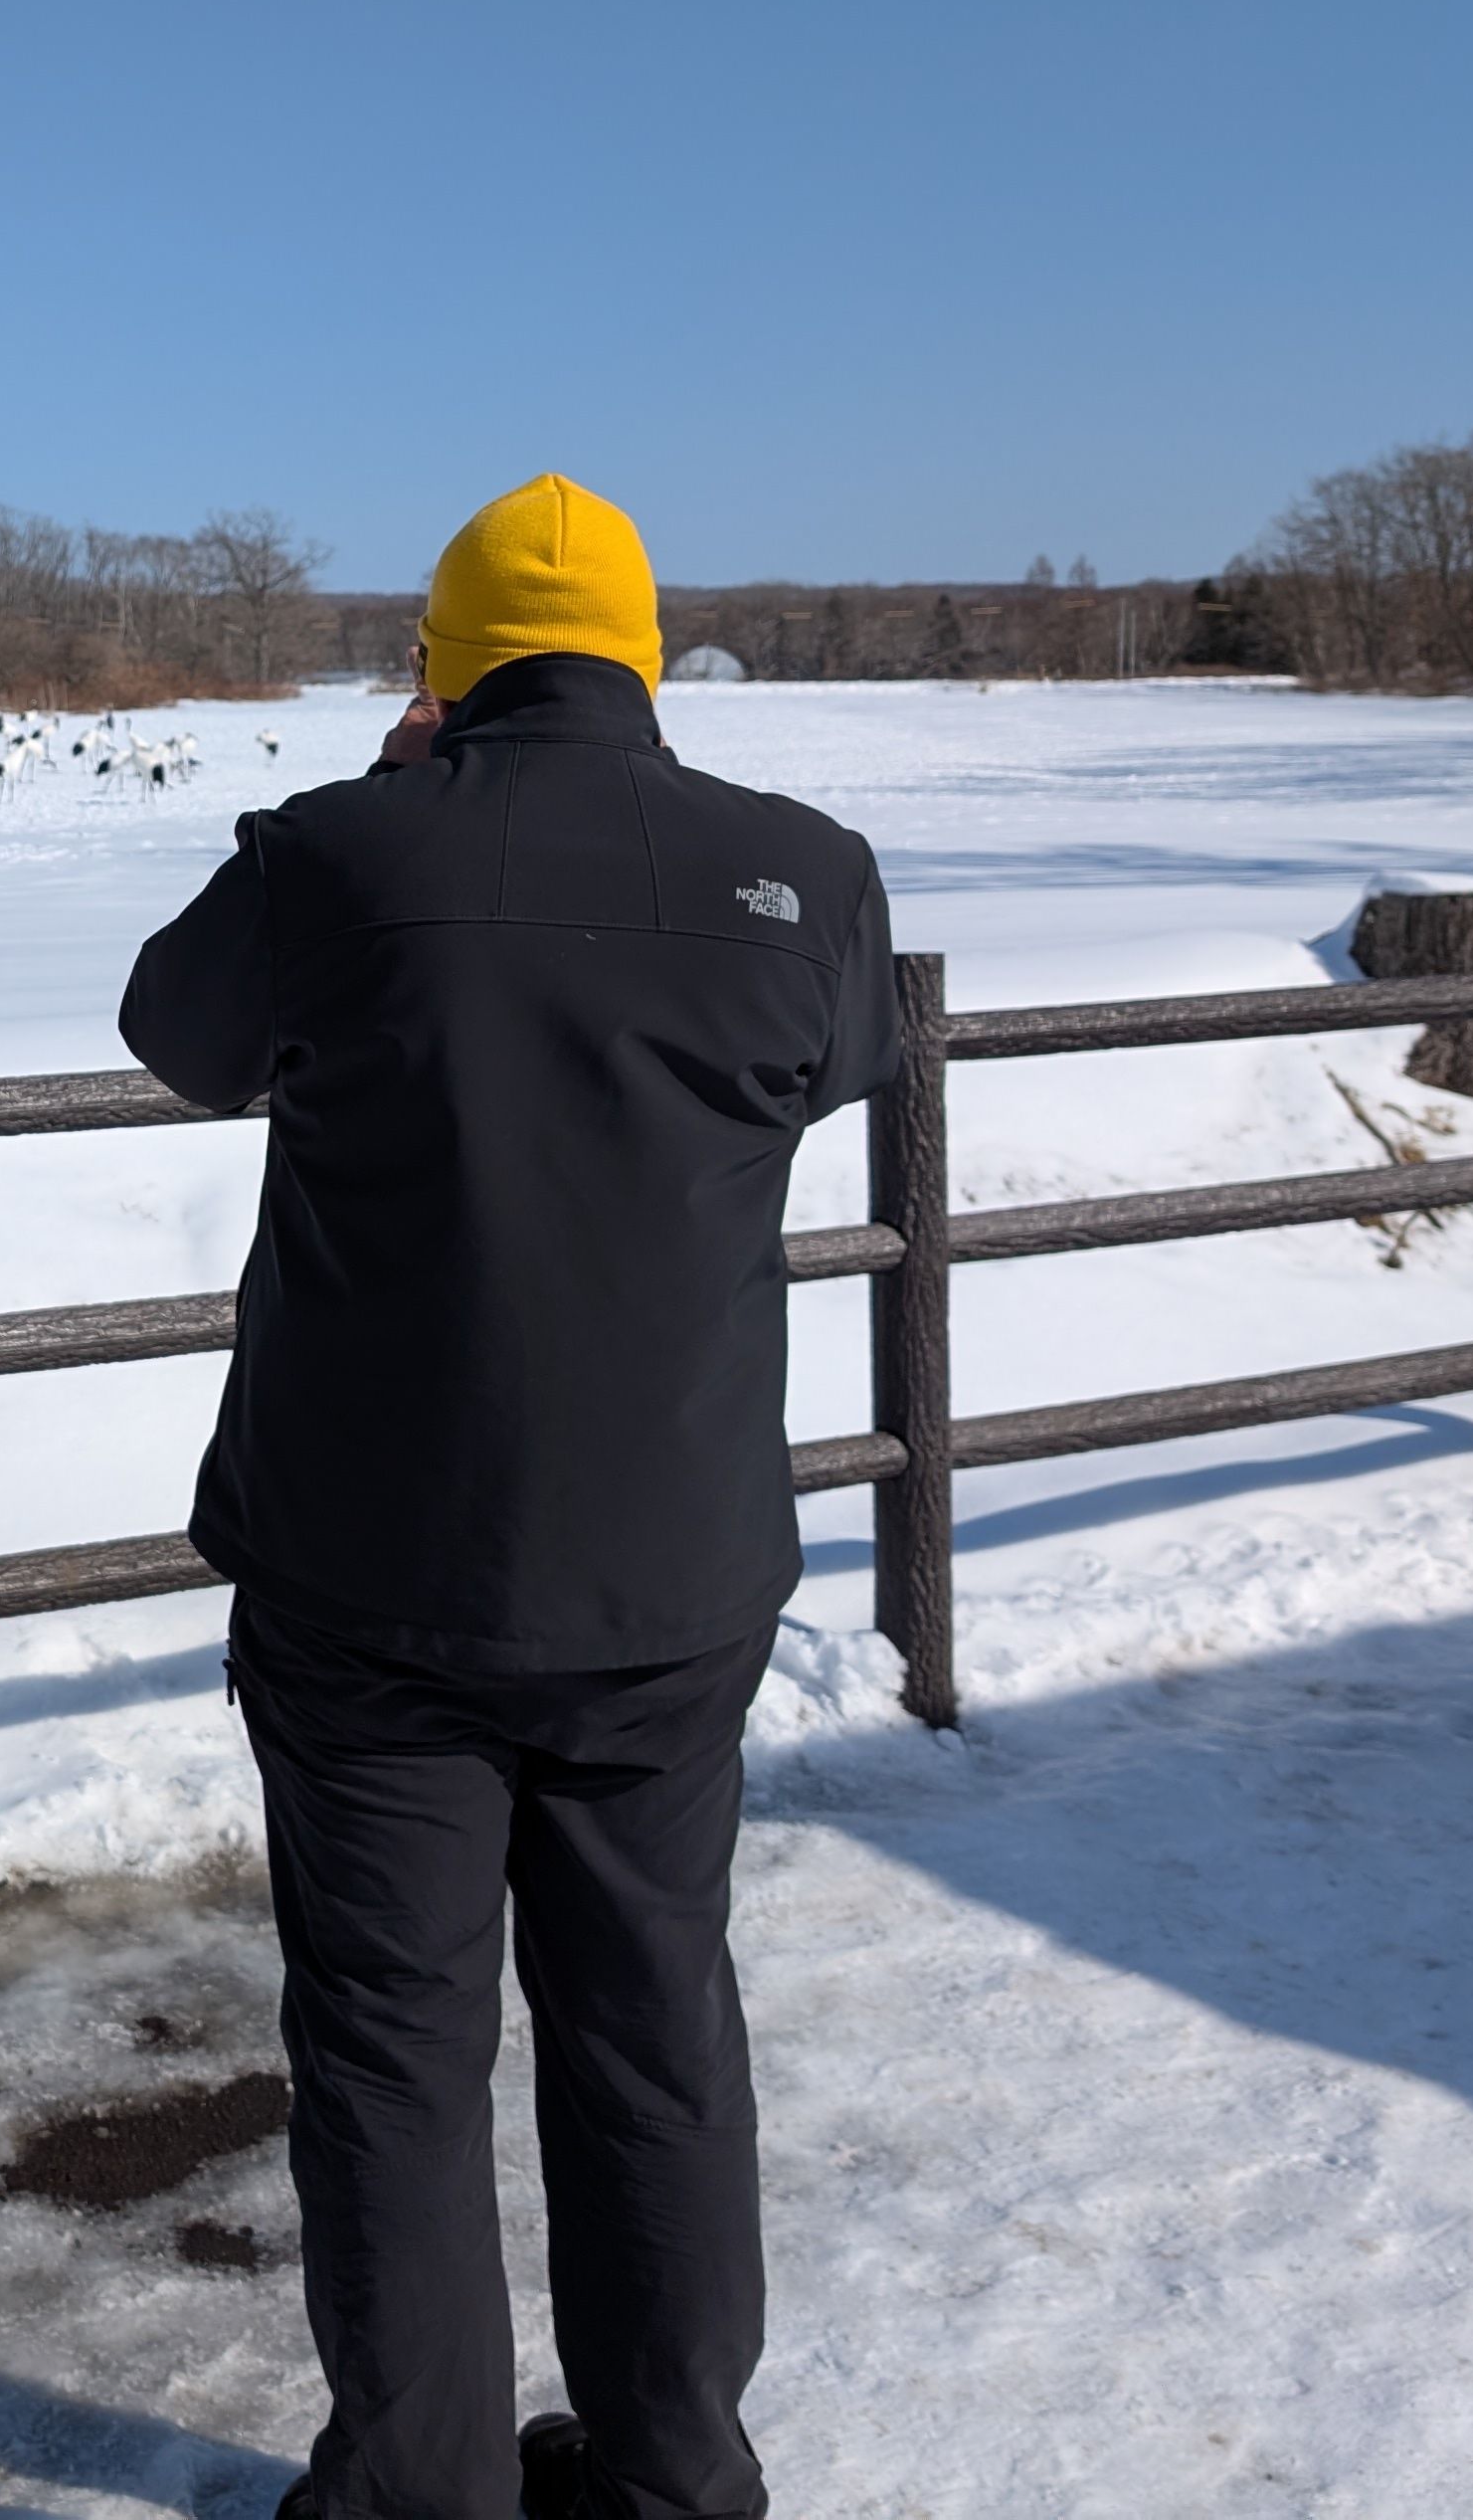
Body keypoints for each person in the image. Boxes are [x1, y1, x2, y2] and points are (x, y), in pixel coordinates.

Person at [122, 475, 901, 2520]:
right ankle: (671, 2487)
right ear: (642, 657)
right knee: (652, 2031)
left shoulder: (338, 858)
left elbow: (176, 1034)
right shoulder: (804, 876)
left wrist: (393, 800)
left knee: (393, 2055)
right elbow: (840, 1070)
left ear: (442, 670)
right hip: (670, 1576)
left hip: (373, 1578)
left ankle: (423, 2488)